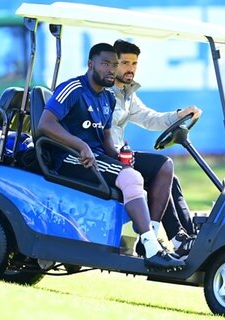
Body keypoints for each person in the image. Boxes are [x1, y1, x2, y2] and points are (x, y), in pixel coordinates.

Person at [38, 43, 184, 270]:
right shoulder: (73, 89)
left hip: (95, 157)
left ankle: (156, 240)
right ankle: (152, 248)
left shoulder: (108, 98)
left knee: (142, 171)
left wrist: (118, 156)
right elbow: (44, 124)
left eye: (114, 65)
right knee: (132, 178)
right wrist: (81, 145)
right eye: (105, 64)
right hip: (68, 157)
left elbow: (106, 137)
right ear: (90, 64)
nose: (111, 70)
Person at [110, 39, 202, 257]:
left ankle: (185, 238)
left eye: (134, 64)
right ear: (113, 64)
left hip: (120, 155)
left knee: (171, 180)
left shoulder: (126, 94)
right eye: (125, 63)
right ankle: (148, 238)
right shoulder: (104, 93)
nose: (130, 69)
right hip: (109, 157)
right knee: (163, 164)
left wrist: (178, 115)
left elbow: (149, 118)